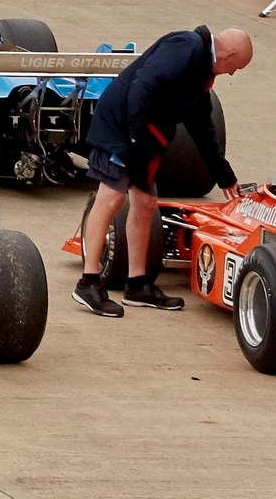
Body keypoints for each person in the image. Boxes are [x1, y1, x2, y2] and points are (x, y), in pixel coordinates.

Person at [68, 23, 253, 315]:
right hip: (122, 128)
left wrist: (225, 176)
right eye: (236, 67)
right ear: (228, 55)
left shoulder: (200, 73)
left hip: (142, 136)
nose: (232, 74)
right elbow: (144, 85)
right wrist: (136, 138)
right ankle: (88, 283)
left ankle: (137, 285)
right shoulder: (188, 46)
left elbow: (202, 128)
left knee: (144, 203)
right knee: (112, 198)